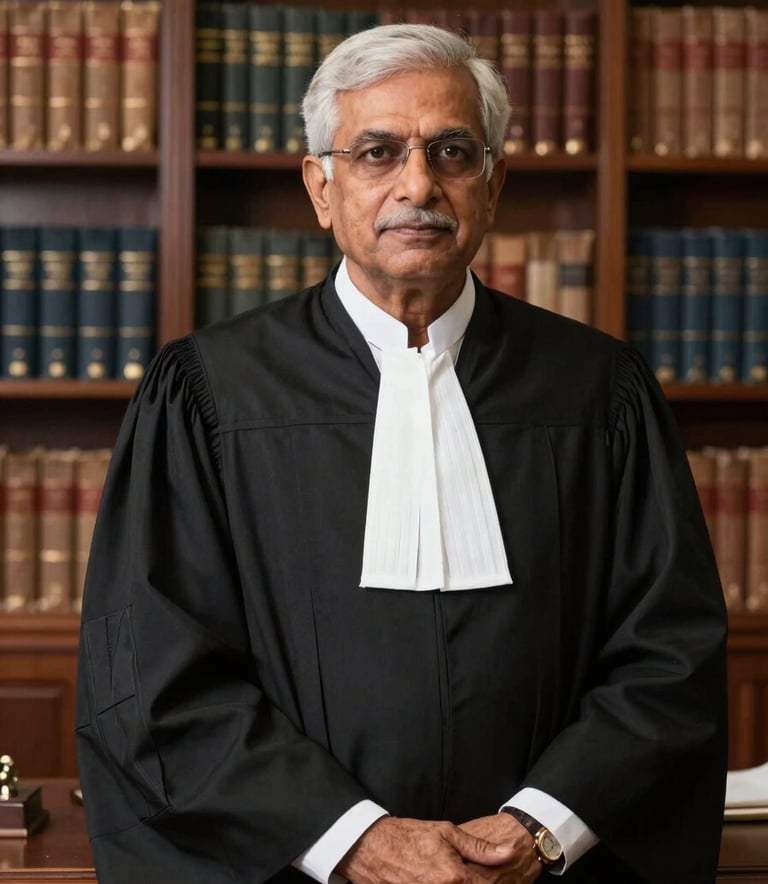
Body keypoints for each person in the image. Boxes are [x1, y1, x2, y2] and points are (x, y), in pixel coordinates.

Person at [75, 23, 728, 884]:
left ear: (493, 184)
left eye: (452, 152)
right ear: (321, 187)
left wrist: (540, 827)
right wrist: (354, 841)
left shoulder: (599, 390)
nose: (418, 185)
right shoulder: (207, 394)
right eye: (377, 152)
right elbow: (155, 674)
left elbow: (670, 652)